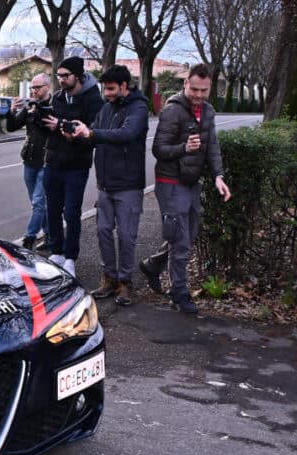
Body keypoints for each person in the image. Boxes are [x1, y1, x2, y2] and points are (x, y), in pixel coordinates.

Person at [140, 63, 232, 314]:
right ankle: (179, 294)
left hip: (192, 181)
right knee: (180, 242)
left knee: (187, 236)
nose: (199, 95)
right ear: (185, 84)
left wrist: (218, 176)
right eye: (195, 89)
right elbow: (158, 149)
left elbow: (212, 146)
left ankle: (153, 265)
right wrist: (184, 148)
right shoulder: (173, 110)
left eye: (204, 90)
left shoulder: (208, 111)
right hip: (170, 182)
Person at [70, 64, 149, 306]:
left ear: (124, 86)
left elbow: (127, 134)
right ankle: (109, 278)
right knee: (103, 231)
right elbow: (94, 135)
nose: (107, 94)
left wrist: (92, 134)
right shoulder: (106, 108)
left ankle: (125, 282)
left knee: (126, 235)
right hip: (105, 184)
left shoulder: (139, 108)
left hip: (128, 185)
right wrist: (78, 135)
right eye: (105, 89)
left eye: (112, 89)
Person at [39, 55, 104, 276]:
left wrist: (63, 126)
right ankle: (56, 251)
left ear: (78, 76)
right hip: (53, 162)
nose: (61, 80)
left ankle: (70, 258)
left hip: (76, 166)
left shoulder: (93, 100)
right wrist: (41, 120)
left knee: (72, 212)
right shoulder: (58, 98)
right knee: (52, 210)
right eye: (58, 76)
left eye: (65, 76)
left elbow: (92, 135)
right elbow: (52, 127)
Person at [7, 73, 52, 250]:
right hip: (29, 161)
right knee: (37, 203)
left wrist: (38, 113)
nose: (34, 90)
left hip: (46, 161)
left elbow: (50, 129)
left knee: (38, 202)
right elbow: (11, 127)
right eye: (32, 87)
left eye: (37, 87)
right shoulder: (31, 106)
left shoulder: (54, 106)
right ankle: (49, 235)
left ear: (47, 87)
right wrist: (12, 111)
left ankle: (29, 239)